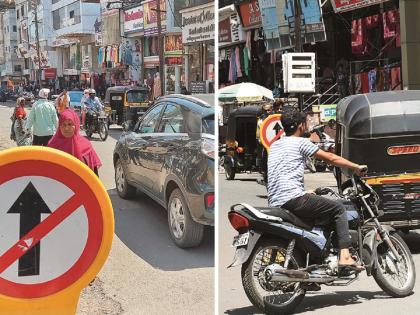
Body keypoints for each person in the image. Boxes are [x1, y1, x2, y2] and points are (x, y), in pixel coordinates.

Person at [267, 109, 367, 271]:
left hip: (277, 201)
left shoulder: (275, 145)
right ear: (301, 125)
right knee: (338, 209)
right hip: (293, 199)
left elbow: (282, 174)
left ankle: (313, 267)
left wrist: (304, 191)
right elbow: (331, 158)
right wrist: (356, 167)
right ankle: (345, 256)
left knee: (315, 221)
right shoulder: (301, 142)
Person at [48, 109, 102, 175]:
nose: (66, 128)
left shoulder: (86, 146)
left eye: (70, 124)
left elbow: (94, 175)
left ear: (76, 125)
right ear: (59, 126)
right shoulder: (52, 145)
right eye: (63, 124)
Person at [256, 103, 273, 185]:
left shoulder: (276, 118)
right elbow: (258, 135)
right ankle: (266, 177)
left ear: (271, 110)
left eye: (269, 110)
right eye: (265, 110)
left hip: (278, 145)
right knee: (265, 163)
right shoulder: (260, 120)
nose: (267, 112)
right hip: (266, 146)